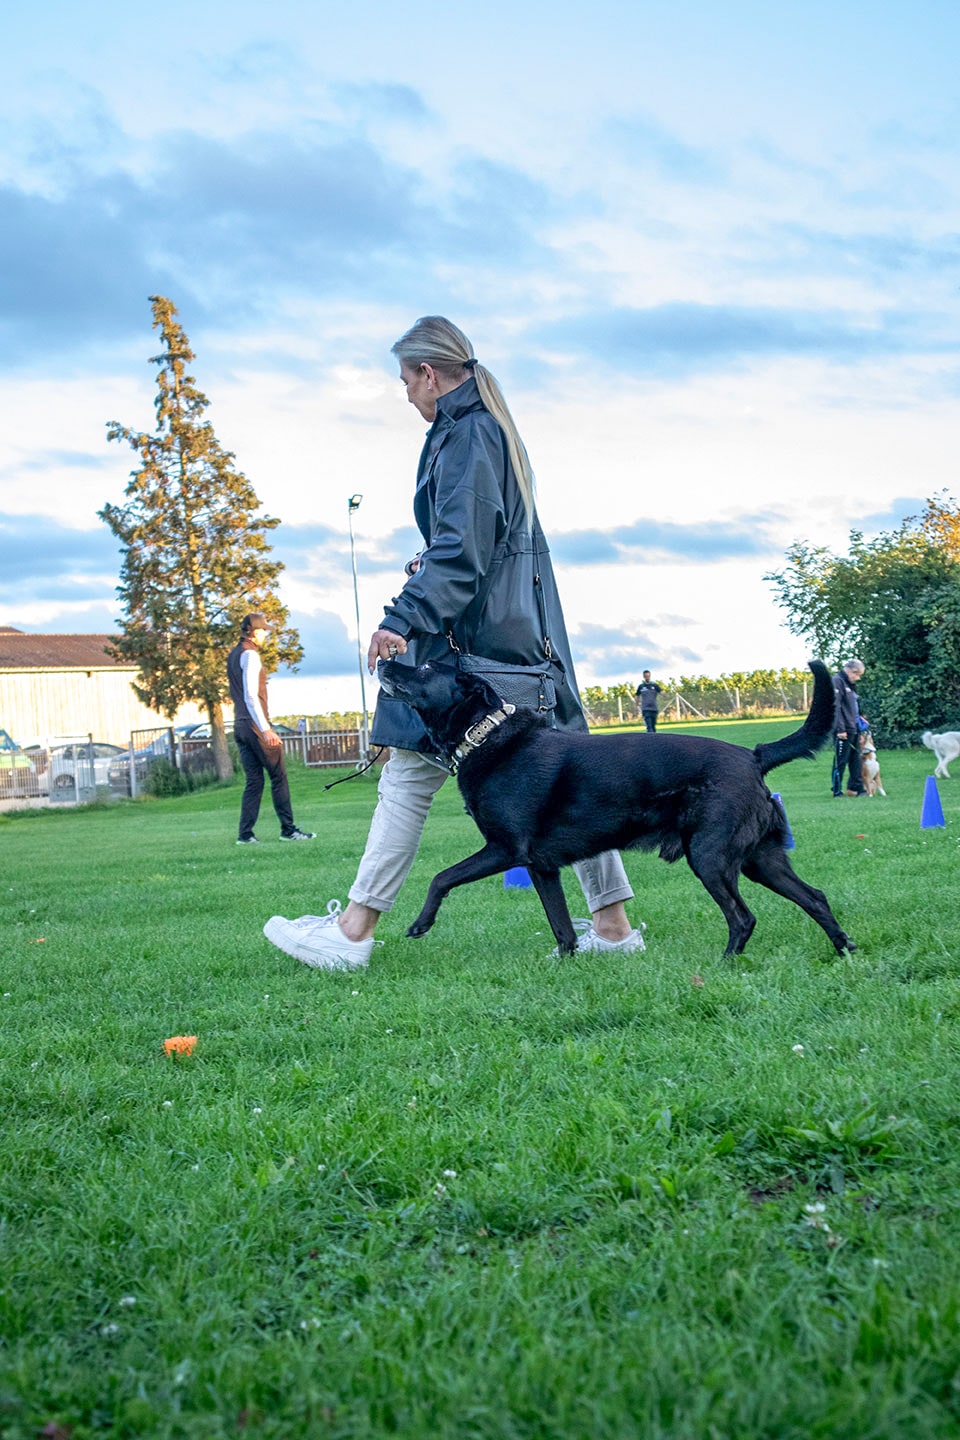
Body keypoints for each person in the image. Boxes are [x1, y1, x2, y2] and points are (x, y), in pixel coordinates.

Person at [264, 316, 643, 970]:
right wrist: (429, 572)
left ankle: (353, 933)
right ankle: (612, 928)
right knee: (567, 778)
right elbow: (478, 548)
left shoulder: (467, 434)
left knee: (408, 777)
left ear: (429, 374)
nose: (405, 395)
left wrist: (402, 618)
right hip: (518, 640)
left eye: (406, 382)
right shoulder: (489, 430)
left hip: (475, 651)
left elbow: (462, 555)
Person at [227, 612, 316, 844]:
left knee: (254, 781)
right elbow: (250, 694)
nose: (266, 634)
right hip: (256, 725)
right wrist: (266, 728)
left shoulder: (234, 654)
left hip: (240, 725)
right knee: (279, 776)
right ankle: (288, 830)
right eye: (264, 630)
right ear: (255, 632)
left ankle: (245, 834)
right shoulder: (251, 655)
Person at [831, 658, 867, 797]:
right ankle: (836, 790)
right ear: (852, 671)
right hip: (843, 729)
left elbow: (854, 707)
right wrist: (840, 729)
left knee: (856, 760)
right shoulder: (837, 681)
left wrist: (861, 729)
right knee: (841, 761)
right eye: (858, 675)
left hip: (854, 728)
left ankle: (857, 788)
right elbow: (835, 707)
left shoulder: (850, 684)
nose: (858, 678)